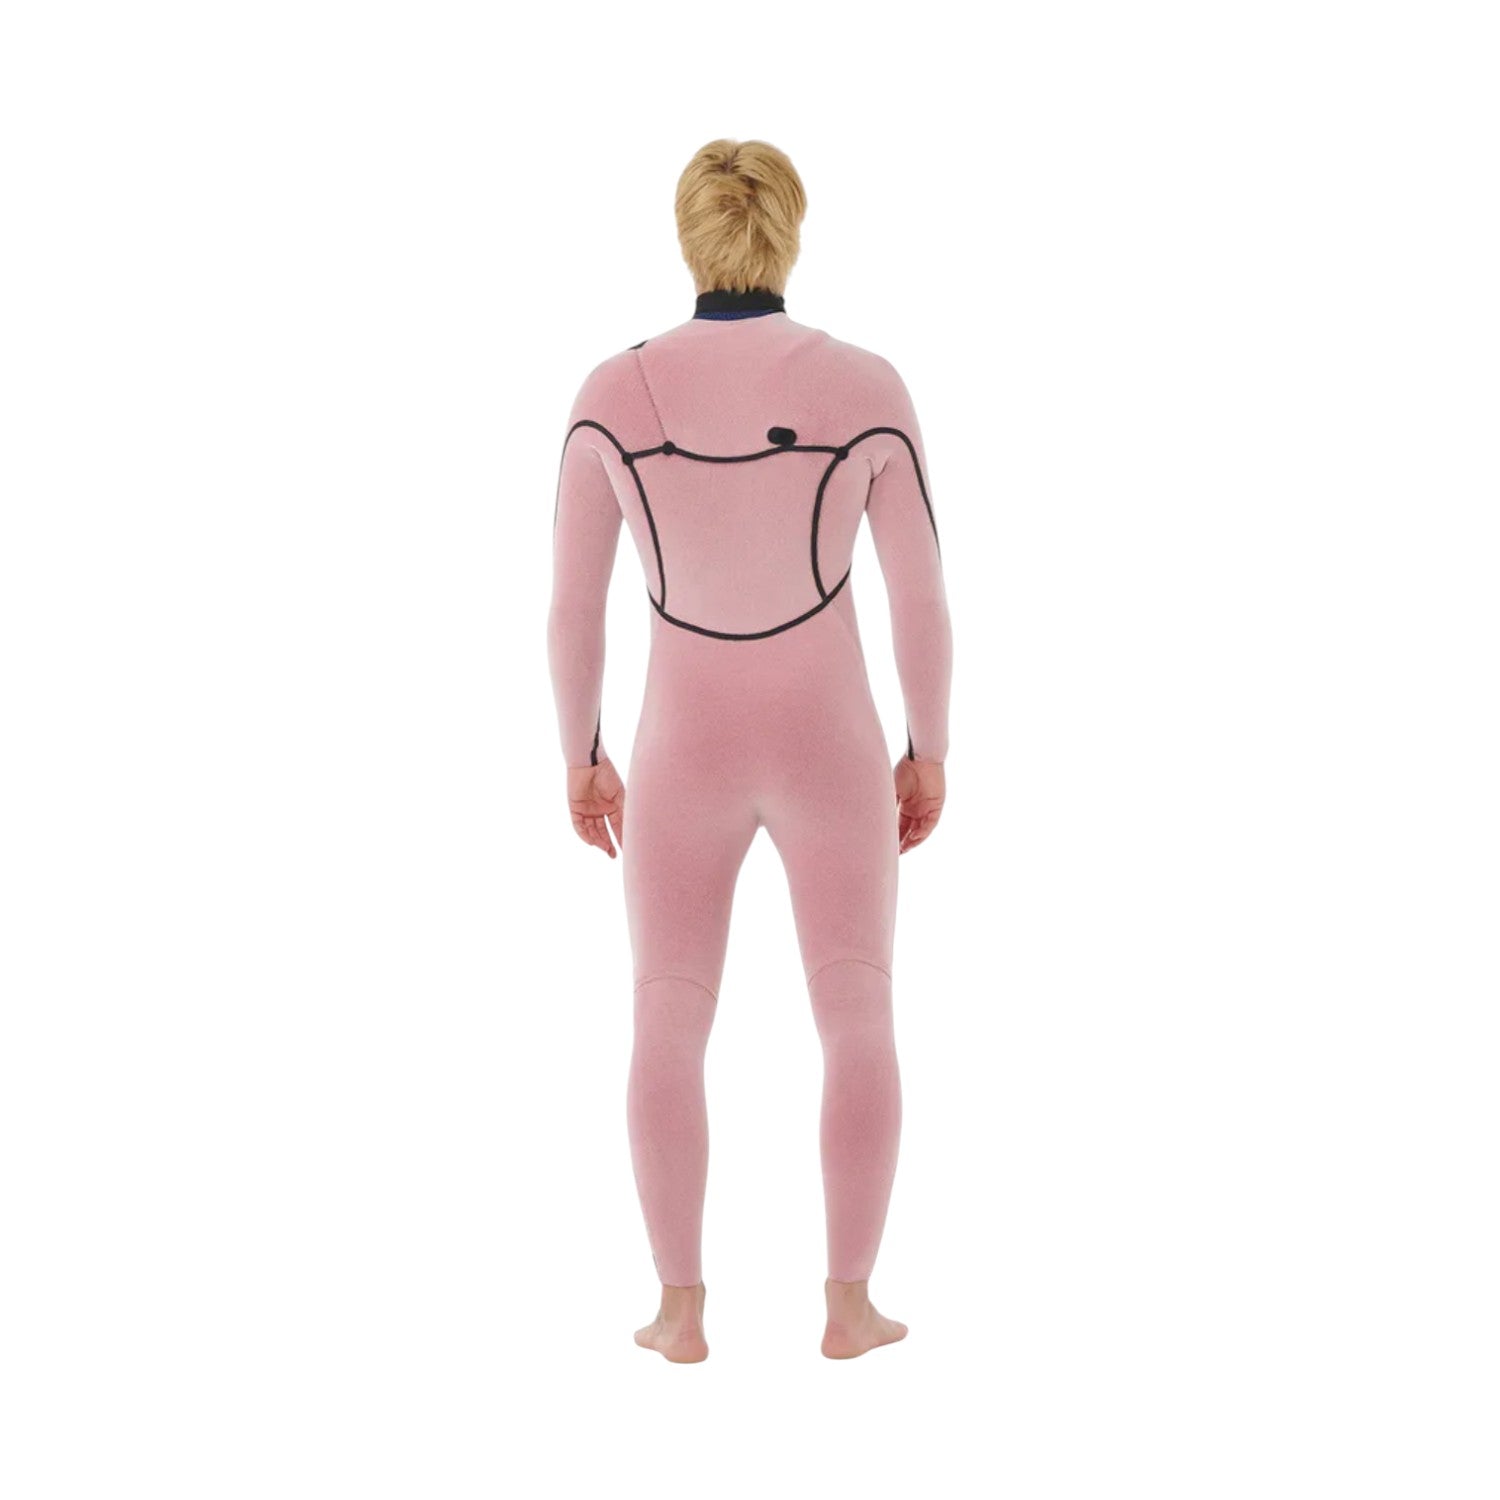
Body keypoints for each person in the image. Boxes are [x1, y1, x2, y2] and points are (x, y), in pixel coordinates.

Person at [547, 139, 952, 1362]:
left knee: (666, 1018)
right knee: (857, 1009)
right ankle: (849, 1306)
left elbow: (572, 608)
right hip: (832, 741)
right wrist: (928, 749)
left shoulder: (614, 394)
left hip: (682, 748)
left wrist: (582, 751)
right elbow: (920, 599)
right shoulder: (866, 386)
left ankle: (679, 1312)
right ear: (790, 234)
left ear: (690, 237)